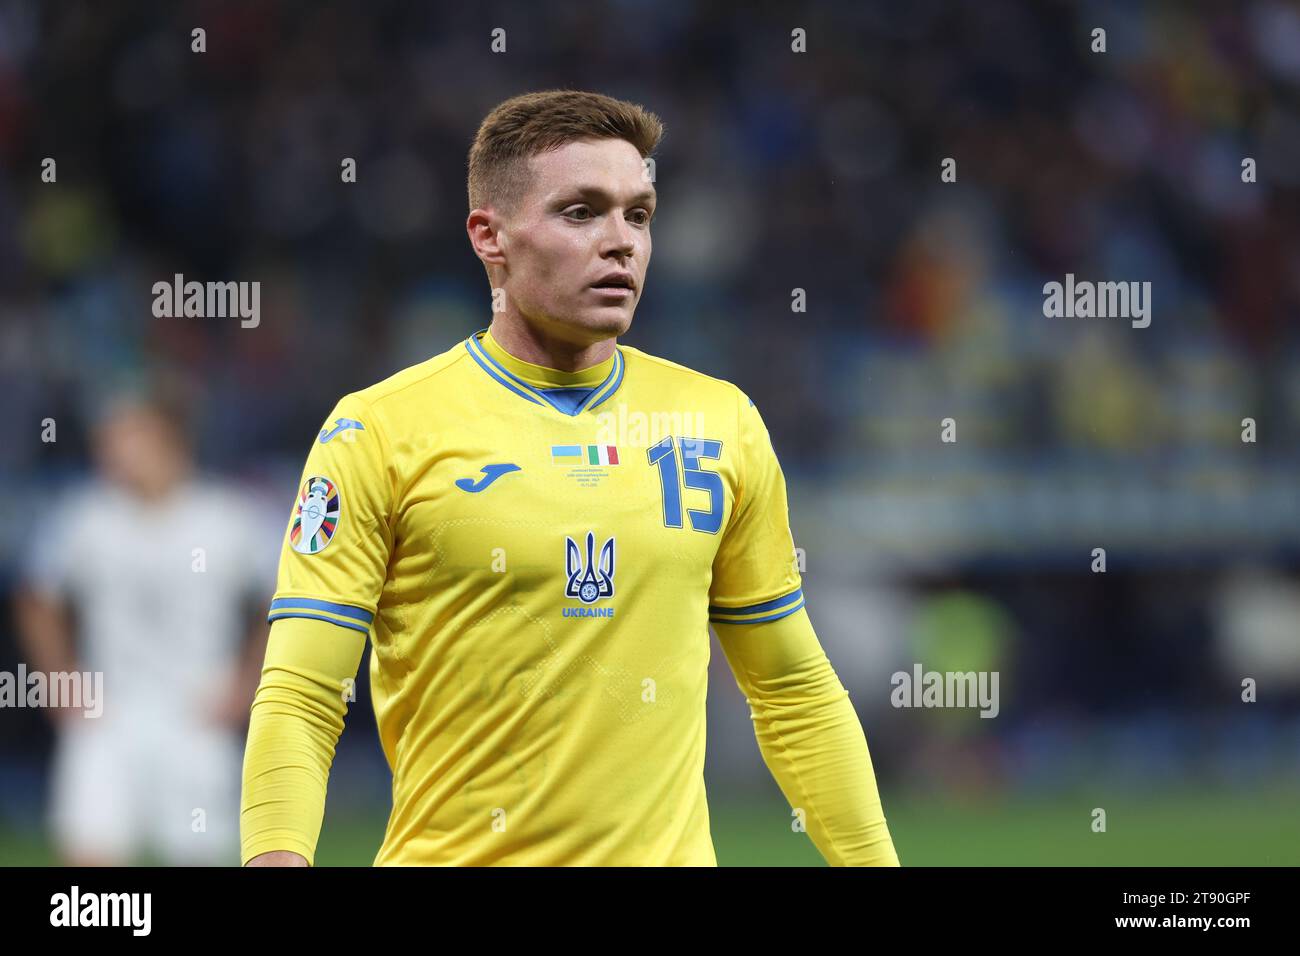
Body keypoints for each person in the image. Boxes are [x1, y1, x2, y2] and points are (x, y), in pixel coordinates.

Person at [240, 89, 899, 866]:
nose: (621, 242)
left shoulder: (719, 424)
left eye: (639, 214)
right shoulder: (379, 432)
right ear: (490, 237)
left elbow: (793, 692)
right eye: (581, 212)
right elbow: (302, 696)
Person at [16, 391, 272, 865]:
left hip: (198, 716)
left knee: (201, 852)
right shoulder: (85, 517)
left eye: (128, 437)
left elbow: (277, 600)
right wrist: (59, 678)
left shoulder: (225, 518)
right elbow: (36, 597)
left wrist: (248, 682)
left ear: (169, 440)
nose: (112, 451)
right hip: (107, 715)